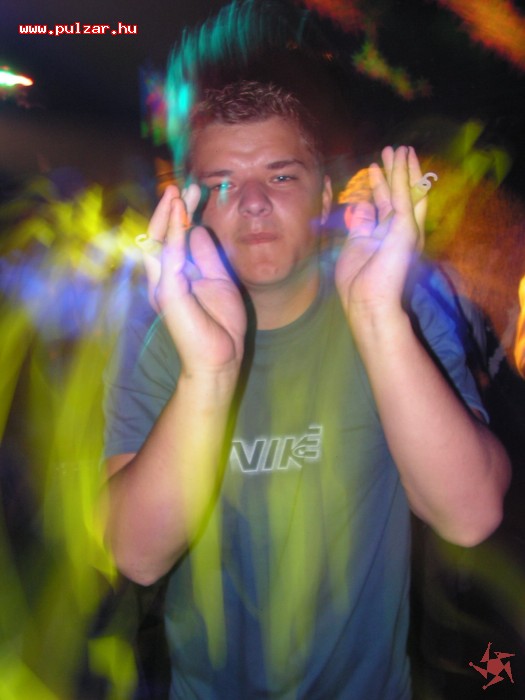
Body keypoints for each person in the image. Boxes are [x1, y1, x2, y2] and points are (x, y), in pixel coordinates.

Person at [103, 81, 510, 699]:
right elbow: (137, 554)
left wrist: (376, 317)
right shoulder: (158, 324)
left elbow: (470, 515)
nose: (254, 203)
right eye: (222, 184)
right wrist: (209, 373)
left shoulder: (395, 298)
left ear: (324, 194)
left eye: (281, 176)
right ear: (194, 210)